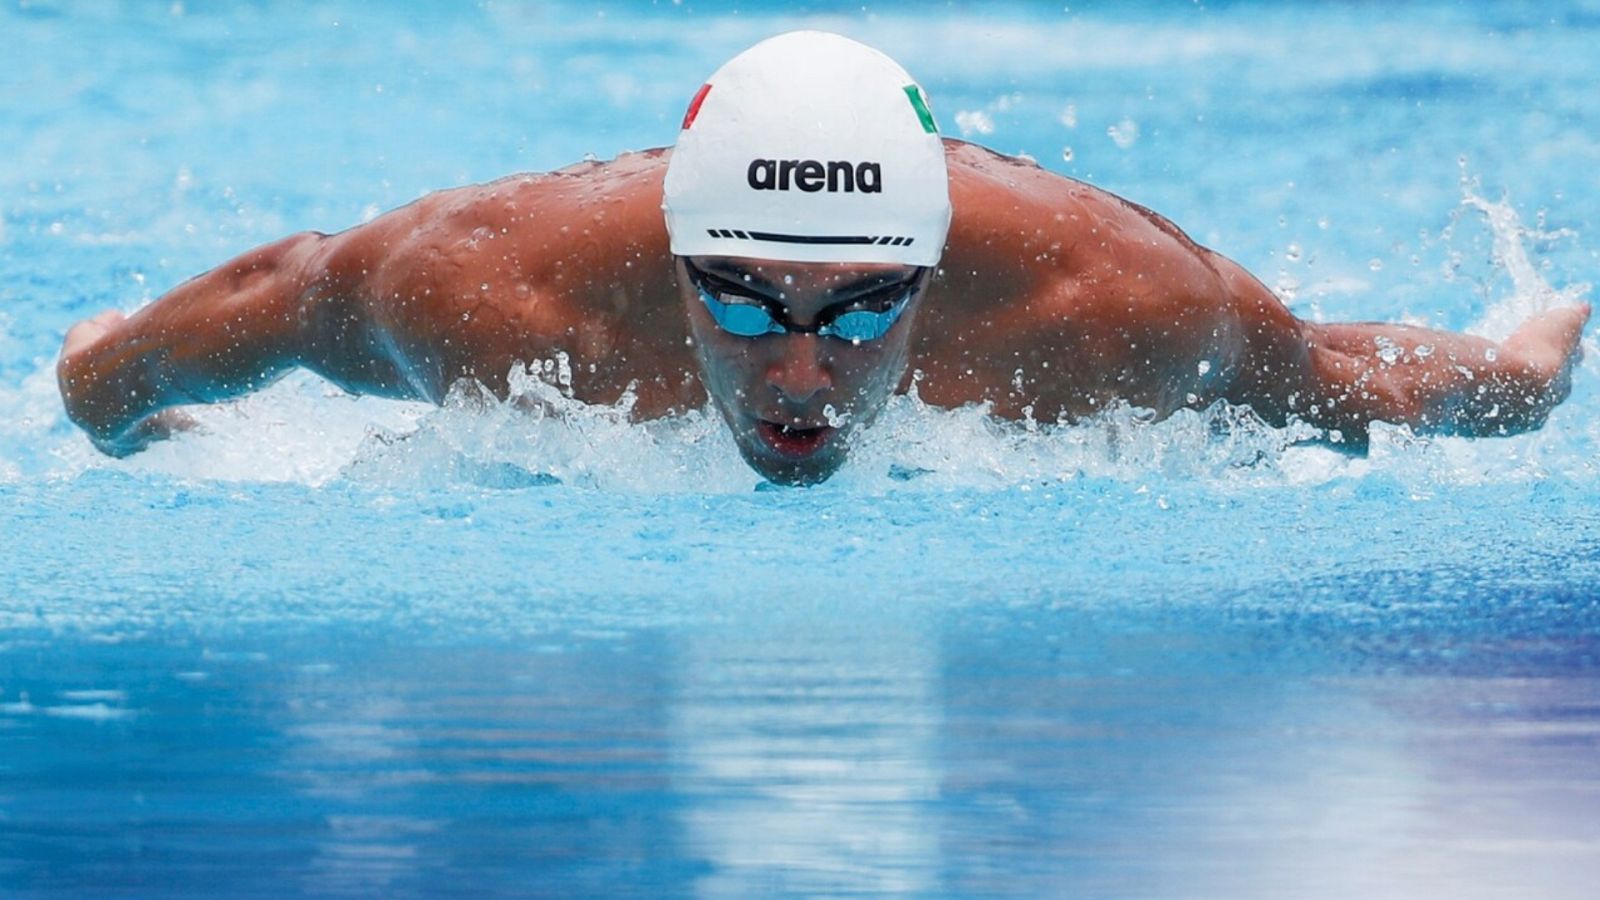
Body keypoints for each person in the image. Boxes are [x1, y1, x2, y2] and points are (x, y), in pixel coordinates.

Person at [57, 31, 1588, 485]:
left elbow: (1325, 375)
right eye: (740, 299)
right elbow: (205, 329)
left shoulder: (1109, 312)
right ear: (671, 265)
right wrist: (124, 411)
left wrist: (1517, 371)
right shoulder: (483, 292)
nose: (800, 372)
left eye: (862, 313)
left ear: (932, 281)